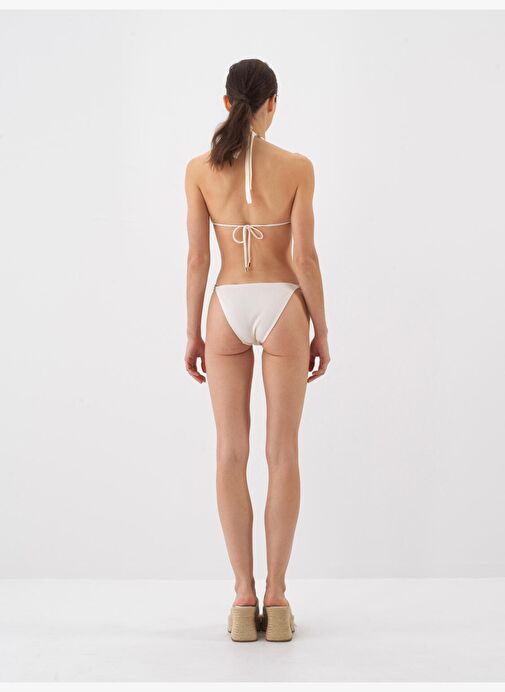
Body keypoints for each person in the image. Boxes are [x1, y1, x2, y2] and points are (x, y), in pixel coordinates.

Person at [184, 58, 330, 642]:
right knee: (282, 454)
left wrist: (192, 331)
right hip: (283, 307)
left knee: (230, 452)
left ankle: (244, 599)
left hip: (226, 305)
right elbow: (305, 258)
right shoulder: (297, 168)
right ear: (273, 103)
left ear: (227, 103)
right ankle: (278, 598)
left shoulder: (199, 170)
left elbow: (198, 259)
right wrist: (322, 328)